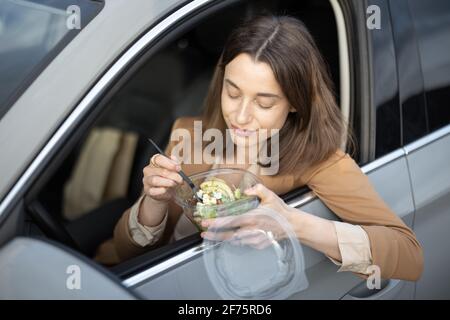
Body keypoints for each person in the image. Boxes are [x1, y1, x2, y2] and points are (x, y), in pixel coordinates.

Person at [98, 15, 423, 281]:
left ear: (296, 103)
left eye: (264, 102)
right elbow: (129, 256)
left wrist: (291, 223)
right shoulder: (189, 134)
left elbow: (409, 255)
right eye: (233, 92)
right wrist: (153, 203)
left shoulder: (321, 163)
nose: (240, 116)